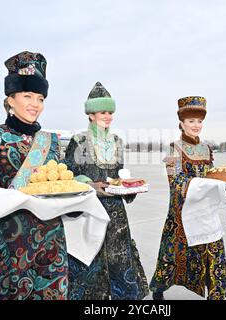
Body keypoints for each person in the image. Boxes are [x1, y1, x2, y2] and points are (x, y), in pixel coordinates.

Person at [0, 51, 68, 300]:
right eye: (27, 96)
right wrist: (13, 197)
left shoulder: (51, 141)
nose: (35, 104)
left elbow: (59, 187)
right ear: (10, 99)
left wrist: (74, 202)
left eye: (40, 98)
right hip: (3, 249)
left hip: (50, 250)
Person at [64, 81, 149, 300]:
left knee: (119, 261)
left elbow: (119, 175)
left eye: (110, 112)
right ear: (91, 114)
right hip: (89, 211)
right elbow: (69, 175)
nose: (108, 116)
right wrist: (91, 185)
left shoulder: (118, 142)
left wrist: (128, 187)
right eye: (103, 111)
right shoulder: (78, 141)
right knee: (90, 266)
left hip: (116, 214)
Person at [149, 96, 226, 300]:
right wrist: (206, 186)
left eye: (199, 121)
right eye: (191, 121)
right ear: (182, 123)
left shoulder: (207, 148)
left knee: (213, 251)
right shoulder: (174, 149)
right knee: (171, 255)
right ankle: (158, 289)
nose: (196, 125)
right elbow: (175, 182)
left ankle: (216, 295)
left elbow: (213, 176)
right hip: (181, 214)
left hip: (206, 212)